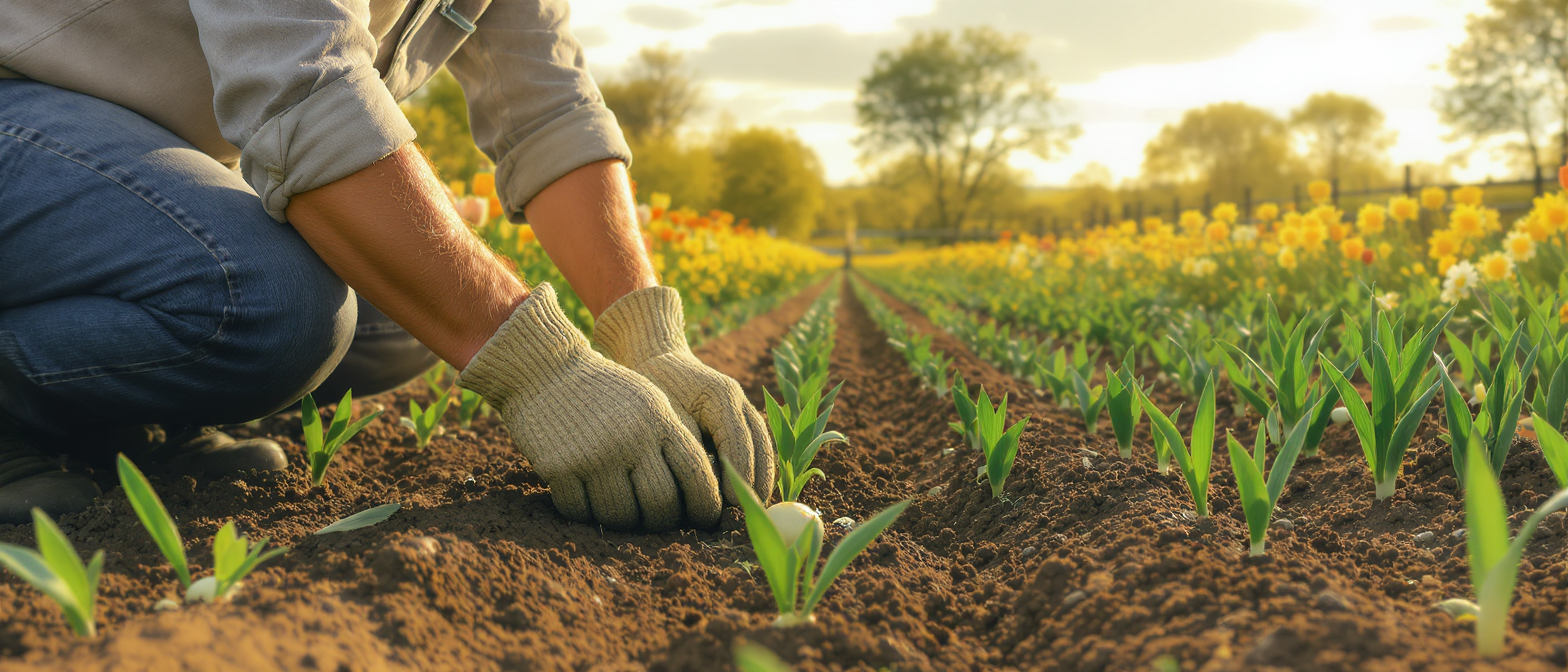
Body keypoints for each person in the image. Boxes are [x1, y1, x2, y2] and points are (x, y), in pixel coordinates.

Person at [0, 0, 773, 530]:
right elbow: (305, 88)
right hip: (19, 107)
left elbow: (550, 109)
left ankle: (109, 424)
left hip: (107, 145)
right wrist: (542, 369)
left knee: (393, 315)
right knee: (267, 300)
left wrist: (647, 338)